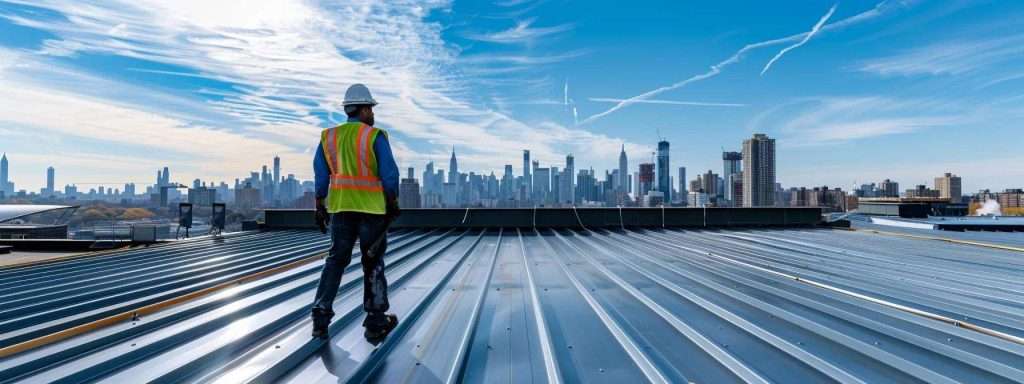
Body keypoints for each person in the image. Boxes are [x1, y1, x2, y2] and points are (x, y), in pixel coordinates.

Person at [310, 84, 401, 343]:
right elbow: (390, 175)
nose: (372, 114)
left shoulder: (328, 137)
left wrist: (319, 204)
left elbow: (320, 174)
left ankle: (320, 316)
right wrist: (392, 202)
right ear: (362, 109)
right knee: (372, 264)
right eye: (370, 108)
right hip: (372, 212)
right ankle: (375, 322)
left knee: (336, 260)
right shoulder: (374, 136)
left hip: (340, 210)